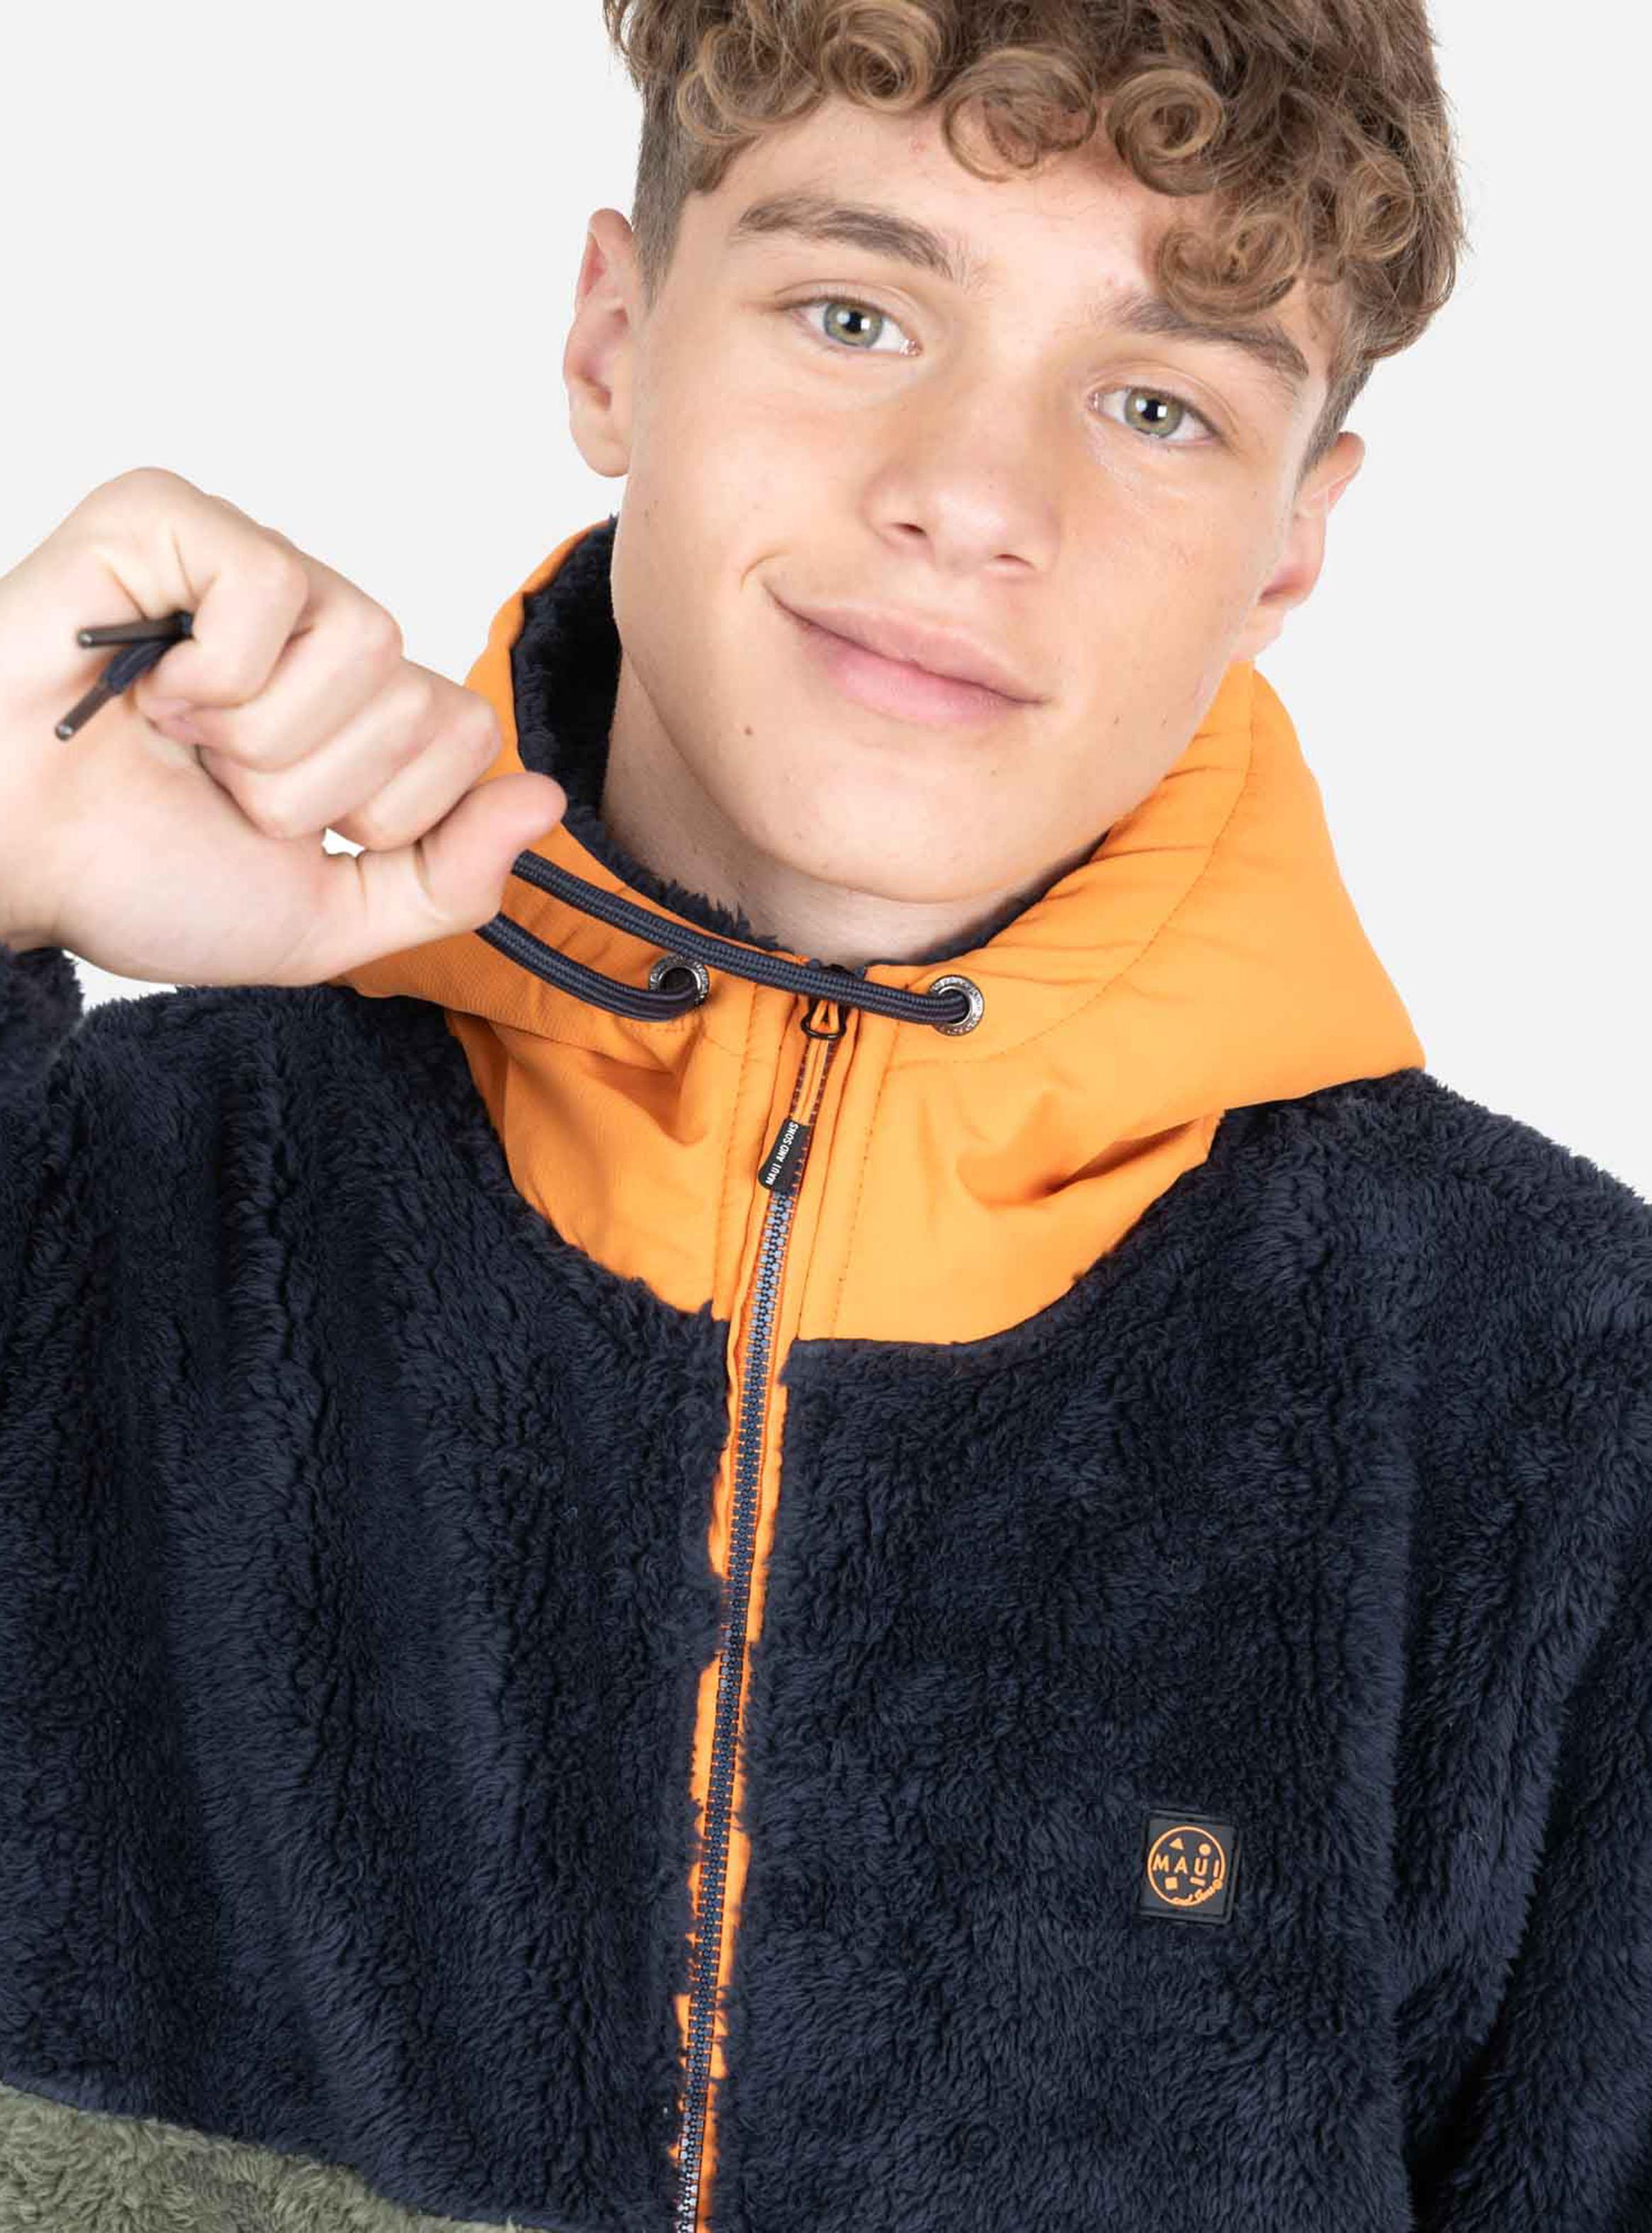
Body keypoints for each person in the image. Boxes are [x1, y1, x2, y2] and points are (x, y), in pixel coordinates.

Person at [1, 4, 1647, 2229]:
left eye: (1154, 403)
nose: (973, 498)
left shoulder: (1559, 1406)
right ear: (612, 340)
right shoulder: (82, 1210)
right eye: (855, 313)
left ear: (1289, 544)